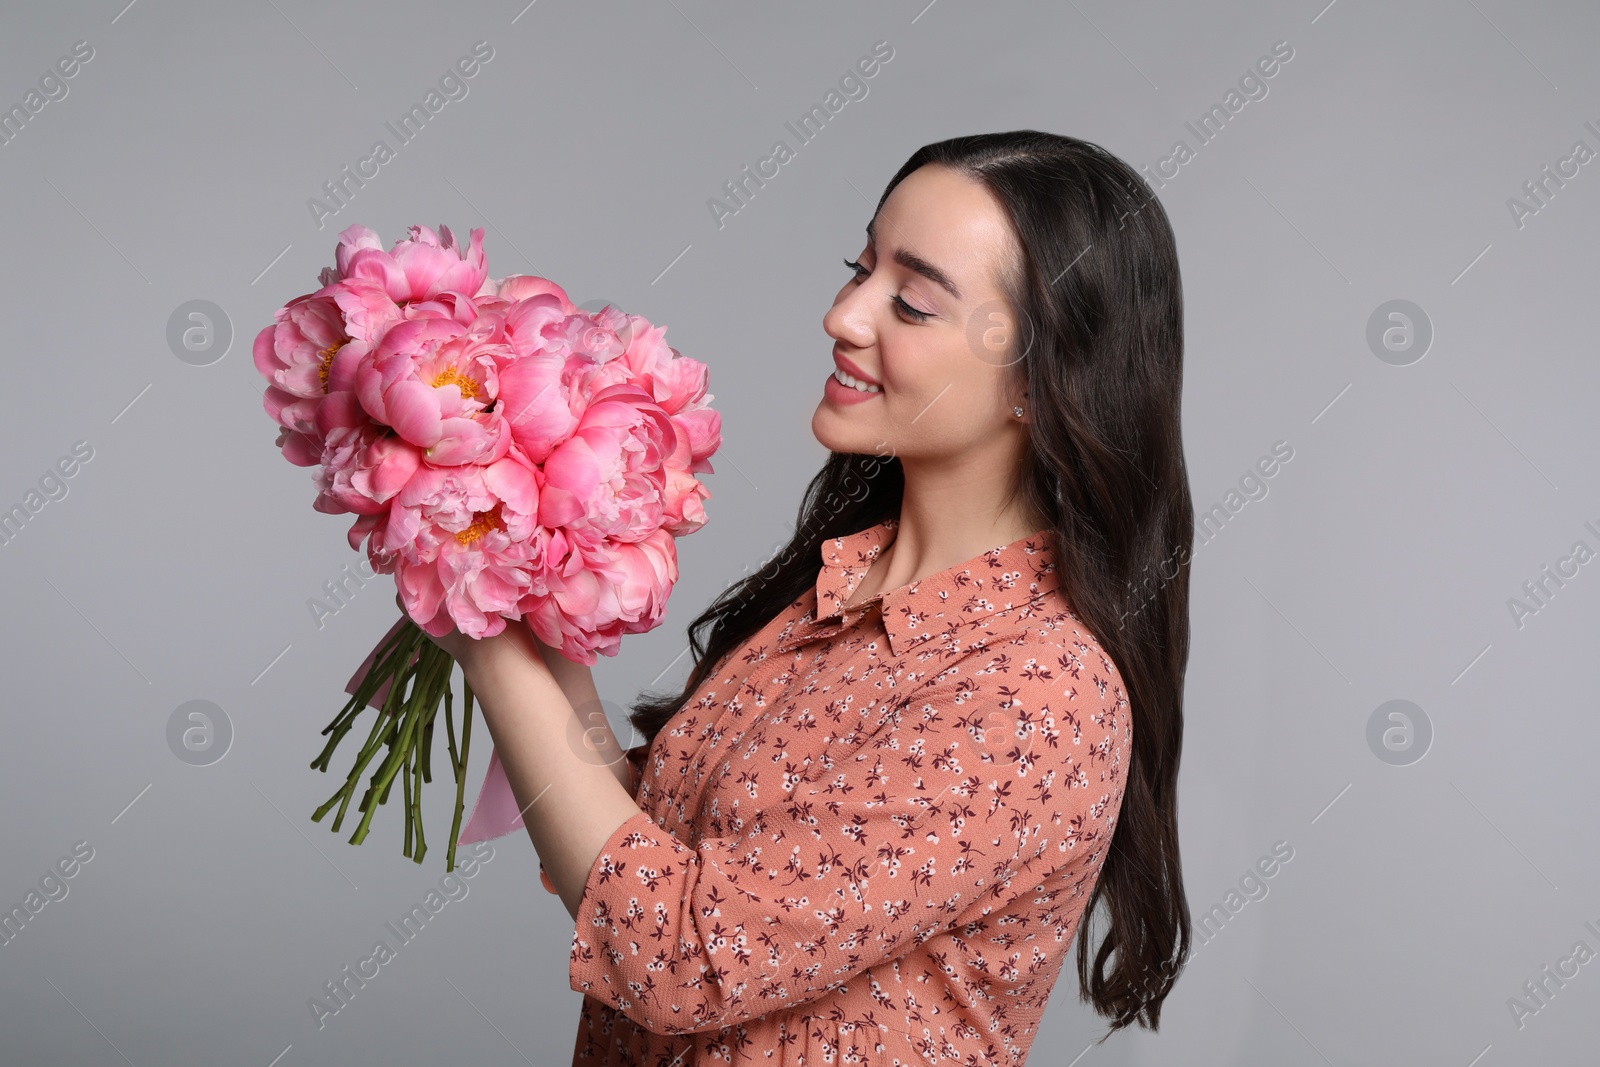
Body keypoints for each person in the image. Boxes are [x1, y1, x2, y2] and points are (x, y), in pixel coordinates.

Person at [422, 130, 1194, 1065]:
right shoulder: (841, 582)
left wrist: (473, 618)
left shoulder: (1038, 691)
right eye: (858, 267)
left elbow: (676, 952)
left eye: (909, 302)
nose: (844, 314)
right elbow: (633, 858)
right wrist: (520, 585)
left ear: (1038, 379)